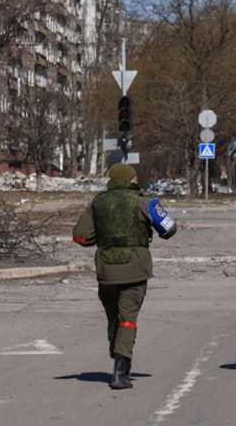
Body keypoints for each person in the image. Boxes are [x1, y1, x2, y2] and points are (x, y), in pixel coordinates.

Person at [73, 163, 177, 390]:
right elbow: (169, 229)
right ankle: (121, 371)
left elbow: (80, 237)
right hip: (135, 269)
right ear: (130, 180)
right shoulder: (143, 202)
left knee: (113, 317)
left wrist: (101, 238)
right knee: (127, 318)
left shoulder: (98, 202)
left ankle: (117, 351)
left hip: (106, 270)